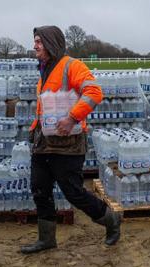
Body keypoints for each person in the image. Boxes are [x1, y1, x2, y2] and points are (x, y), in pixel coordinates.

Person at [20, 25, 121, 254]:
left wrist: (72, 118)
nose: (35, 45)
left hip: (68, 144)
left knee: (73, 191)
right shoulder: (44, 71)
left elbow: (94, 92)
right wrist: (34, 129)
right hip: (44, 142)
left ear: (51, 43)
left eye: (39, 41)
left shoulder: (71, 66)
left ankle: (111, 220)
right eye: (34, 41)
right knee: (39, 189)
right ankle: (47, 239)